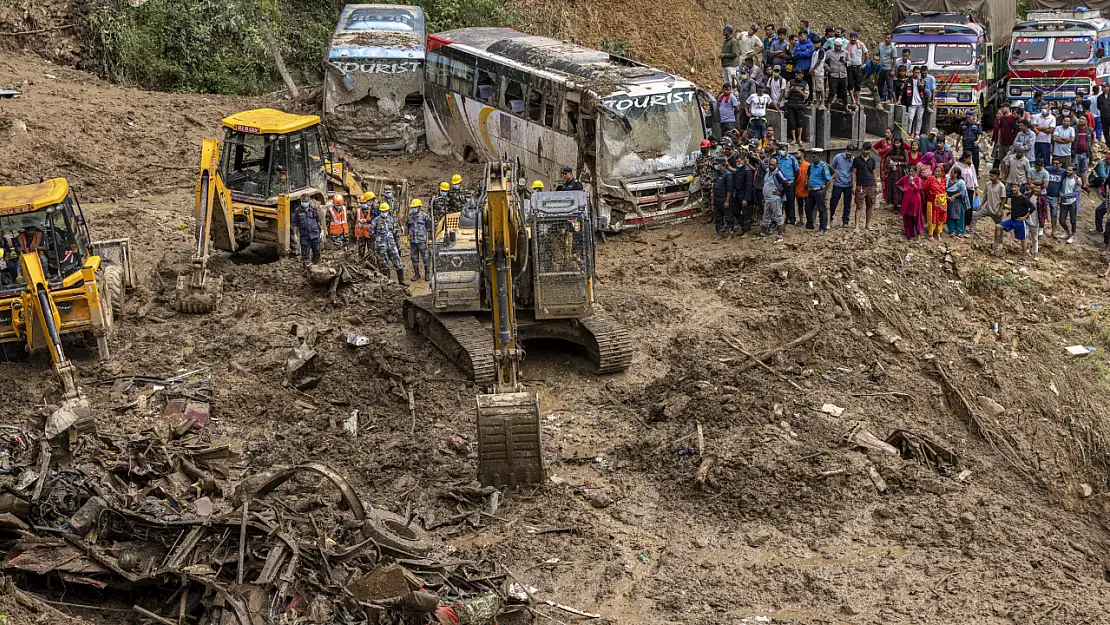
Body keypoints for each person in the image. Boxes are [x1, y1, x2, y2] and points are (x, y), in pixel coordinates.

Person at [371, 202, 405, 284]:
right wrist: (377, 243)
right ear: (380, 211)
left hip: (391, 245)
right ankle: (387, 283)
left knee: (398, 262)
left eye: (385, 211)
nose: (384, 212)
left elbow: (394, 232)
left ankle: (401, 281)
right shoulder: (375, 221)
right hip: (381, 246)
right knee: (384, 265)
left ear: (388, 211)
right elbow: (372, 233)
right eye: (382, 211)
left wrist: (396, 244)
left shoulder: (391, 220)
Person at [994, 184, 1032, 256]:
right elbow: (1016, 207)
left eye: (1015, 187)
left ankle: (1023, 256)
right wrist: (1011, 211)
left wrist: (1025, 217)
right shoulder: (1013, 197)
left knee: (1023, 239)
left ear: (1019, 188)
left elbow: (1032, 208)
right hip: (1012, 220)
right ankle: (995, 246)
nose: (1013, 189)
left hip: (1020, 221)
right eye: (1012, 187)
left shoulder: (1024, 198)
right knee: (998, 226)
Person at [760, 155, 787, 242]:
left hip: (775, 199)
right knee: (766, 217)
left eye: (773, 165)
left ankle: (780, 236)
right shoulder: (767, 172)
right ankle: (762, 233)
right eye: (770, 164)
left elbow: (787, 184)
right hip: (767, 199)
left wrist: (781, 192)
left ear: (776, 165)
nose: (771, 166)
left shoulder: (778, 173)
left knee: (778, 217)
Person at [879, 129, 909, 207]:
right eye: (895, 143)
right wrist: (887, 163)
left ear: (901, 143)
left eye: (898, 143)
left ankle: (901, 203)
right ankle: (894, 203)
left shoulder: (904, 151)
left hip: (900, 172)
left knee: (900, 186)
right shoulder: (892, 150)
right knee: (893, 186)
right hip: (892, 171)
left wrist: (898, 163)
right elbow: (884, 156)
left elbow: (907, 163)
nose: (896, 144)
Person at [805, 148, 833, 232]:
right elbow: (809, 175)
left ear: (819, 157)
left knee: (822, 210)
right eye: (812, 156)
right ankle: (810, 225)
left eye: (814, 156)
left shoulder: (823, 167)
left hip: (819, 190)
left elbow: (829, 180)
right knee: (808, 208)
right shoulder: (811, 166)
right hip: (811, 190)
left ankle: (822, 228)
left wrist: (824, 190)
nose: (812, 158)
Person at [406, 198, 434, 281]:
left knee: (426, 258)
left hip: (422, 241)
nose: (413, 209)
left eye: (415, 207)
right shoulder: (409, 216)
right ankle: (417, 274)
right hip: (413, 241)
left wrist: (429, 239)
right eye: (412, 207)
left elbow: (430, 228)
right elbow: (407, 227)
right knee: (414, 259)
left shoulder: (425, 216)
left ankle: (427, 274)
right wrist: (405, 237)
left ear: (419, 207)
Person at [852, 142, 878, 230]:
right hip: (860, 186)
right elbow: (854, 173)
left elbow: (874, 173)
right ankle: (856, 226)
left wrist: (876, 185)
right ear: (862, 149)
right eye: (864, 149)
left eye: (868, 150)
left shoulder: (873, 160)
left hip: (871, 185)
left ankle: (868, 225)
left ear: (870, 150)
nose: (866, 151)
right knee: (859, 206)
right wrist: (854, 185)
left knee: (870, 205)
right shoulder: (857, 160)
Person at [829, 144, 855, 227]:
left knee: (847, 203)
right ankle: (830, 218)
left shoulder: (854, 160)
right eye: (848, 151)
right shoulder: (838, 157)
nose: (849, 153)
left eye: (851, 152)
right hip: (838, 184)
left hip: (848, 184)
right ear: (845, 150)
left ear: (853, 152)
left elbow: (854, 172)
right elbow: (832, 168)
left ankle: (845, 221)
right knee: (833, 202)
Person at [291, 197, 322, 267]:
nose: (304, 203)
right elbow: (294, 224)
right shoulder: (297, 212)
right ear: (301, 201)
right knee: (305, 254)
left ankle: (316, 266)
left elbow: (318, 221)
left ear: (309, 201)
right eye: (303, 201)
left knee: (317, 252)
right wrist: (295, 235)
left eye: (306, 201)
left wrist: (322, 230)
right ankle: (306, 268)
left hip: (314, 234)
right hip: (304, 236)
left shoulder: (313, 210)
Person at [900, 66, 930, 136]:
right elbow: (902, 91)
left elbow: (921, 89)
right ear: (913, 72)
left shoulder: (923, 81)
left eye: (918, 73)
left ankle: (917, 133)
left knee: (919, 119)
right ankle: (909, 133)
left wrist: (919, 82)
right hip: (912, 103)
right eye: (916, 72)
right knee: (910, 119)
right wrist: (898, 100)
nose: (917, 74)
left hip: (920, 103)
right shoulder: (907, 80)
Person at [953, 152, 979, 231]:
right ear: (964, 158)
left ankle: (967, 223)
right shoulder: (957, 165)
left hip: (969, 188)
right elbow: (951, 173)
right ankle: (957, 222)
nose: (970, 160)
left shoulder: (971, 166)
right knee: (958, 206)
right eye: (969, 158)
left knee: (968, 206)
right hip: (960, 188)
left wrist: (976, 188)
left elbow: (974, 177)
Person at [896, 167, 924, 239]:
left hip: (915, 201)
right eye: (909, 171)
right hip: (906, 201)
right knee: (907, 217)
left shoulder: (918, 179)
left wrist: (912, 183)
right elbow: (897, 184)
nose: (910, 173)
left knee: (916, 217)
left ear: (915, 172)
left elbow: (917, 189)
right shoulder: (904, 178)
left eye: (912, 171)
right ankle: (909, 234)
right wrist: (902, 189)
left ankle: (919, 235)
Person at [923, 164, 948, 241]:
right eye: (936, 171)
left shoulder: (944, 179)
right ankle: (930, 234)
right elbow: (925, 189)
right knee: (932, 217)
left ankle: (939, 233)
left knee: (941, 217)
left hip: (942, 201)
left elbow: (945, 189)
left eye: (939, 172)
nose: (937, 173)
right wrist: (931, 196)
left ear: (942, 172)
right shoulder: (930, 179)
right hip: (932, 201)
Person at [775, 144, 800, 223]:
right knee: (780, 201)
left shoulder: (792, 159)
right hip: (780, 184)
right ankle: (780, 218)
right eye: (781, 149)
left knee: (790, 201)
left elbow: (797, 171)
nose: (782, 151)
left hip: (790, 183)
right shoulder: (777, 159)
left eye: (784, 149)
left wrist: (791, 180)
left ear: (787, 150)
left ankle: (791, 219)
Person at [711, 156, 734, 238]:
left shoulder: (728, 174)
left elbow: (729, 189)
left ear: (721, 164)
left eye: (717, 164)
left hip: (724, 199)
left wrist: (727, 201)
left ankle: (730, 232)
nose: (715, 165)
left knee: (728, 217)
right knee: (718, 218)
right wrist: (713, 199)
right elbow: (714, 187)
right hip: (717, 199)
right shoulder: (716, 173)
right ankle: (720, 233)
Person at [845, 32, 868, 110]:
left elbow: (867, 54)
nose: (853, 39)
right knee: (850, 83)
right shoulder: (847, 45)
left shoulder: (861, 44)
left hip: (858, 66)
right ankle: (853, 100)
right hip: (850, 66)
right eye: (852, 37)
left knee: (858, 84)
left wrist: (864, 64)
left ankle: (858, 101)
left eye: (854, 37)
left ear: (857, 37)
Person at [785, 70, 809, 144]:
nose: (797, 76)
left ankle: (799, 138)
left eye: (799, 74)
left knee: (800, 122)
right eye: (796, 74)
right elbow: (786, 95)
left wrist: (799, 91)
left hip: (800, 105)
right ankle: (794, 139)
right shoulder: (790, 82)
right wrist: (791, 90)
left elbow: (806, 96)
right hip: (791, 104)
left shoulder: (805, 84)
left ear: (802, 75)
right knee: (792, 122)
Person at [826, 38, 849, 108]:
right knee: (832, 92)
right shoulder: (829, 52)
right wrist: (828, 68)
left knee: (844, 92)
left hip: (843, 74)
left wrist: (845, 62)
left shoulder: (846, 52)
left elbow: (850, 62)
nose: (838, 47)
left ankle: (846, 107)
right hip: (833, 74)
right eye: (836, 46)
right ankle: (828, 108)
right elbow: (823, 62)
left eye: (839, 46)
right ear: (834, 45)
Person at [1059, 166, 1080, 243]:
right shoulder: (1064, 178)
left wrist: (1065, 196)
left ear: (1074, 171)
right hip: (1064, 203)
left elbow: (1076, 193)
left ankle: (1073, 235)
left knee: (1073, 220)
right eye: (1067, 169)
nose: (1067, 171)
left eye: (1069, 170)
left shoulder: (1077, 180)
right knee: (1061, 220)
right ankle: (1067, 231)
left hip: (1072, 202)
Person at [945, 168, 969, 236]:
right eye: (951, 172)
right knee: (949, 215)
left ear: (956, 174)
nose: (951, 174)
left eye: (953, 172)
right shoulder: (947, 180)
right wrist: (947, 197)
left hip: (957, 200)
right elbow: (944, 189)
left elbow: (962, 192)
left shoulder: (961, 182)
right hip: (949, 200)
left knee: (959, 215)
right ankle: (951, 231)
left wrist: (954, 196)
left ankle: (959, 231)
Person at [1044, 157, 1064, 237]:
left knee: (1054, 214)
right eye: (1054, 163)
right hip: (1046, 194)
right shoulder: (1048, 169)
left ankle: (1053, 231)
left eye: (1057, 163)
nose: (1055, 165)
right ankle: (1041, 228)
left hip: (1055, 196)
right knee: (1042, 212)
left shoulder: (1063, 172)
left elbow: (1072, 174)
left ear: (1061, 164)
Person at [1075, 114, 1095, 189]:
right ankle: (1075, 185)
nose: (1081, 120)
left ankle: (1084, 185)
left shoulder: (1089, 130)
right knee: (1075, 169)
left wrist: (1091, 147)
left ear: (1086, 121)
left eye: (1083, 119)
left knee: (1084, 169)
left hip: (1085, 153)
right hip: (1076, 153)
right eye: (1080, 118)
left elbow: (1093, 138)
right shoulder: (1074, 129)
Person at [355, 191, 376, 258]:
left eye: (365, 203)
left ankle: (370, 263)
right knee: (360, 252)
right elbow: (354, 222)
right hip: (361, 234)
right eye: (362, 203)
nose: (364, 204)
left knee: (371, 252)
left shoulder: (373, 211)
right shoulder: (357, 211)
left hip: (370, 234)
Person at [694, 139, 715, 210]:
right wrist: (690, 178)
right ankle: (709, 215)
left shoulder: (713, 158)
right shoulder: (698, 160)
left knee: (713, 201)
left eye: (704, 148)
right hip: (703, 184)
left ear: (708, 148)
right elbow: (696, 171)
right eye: (702, 148)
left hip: (712, 184)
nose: (702, 149)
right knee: (706, 202)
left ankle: (715, 217)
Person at [877, 33, 896, 103]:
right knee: (880, 84)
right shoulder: (880, 45)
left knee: (889, 84)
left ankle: (889, 98)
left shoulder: (893, 48)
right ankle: (881, 97)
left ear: (891, 39)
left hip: (888, 68)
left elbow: (894, 59)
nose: (886, 39)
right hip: (880, 67)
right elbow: (878, 54)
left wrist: (893, 69)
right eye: (886, 38)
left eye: (888, 38)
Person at [794, 146, 810, 226]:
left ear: (802, 154)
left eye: (798, 153)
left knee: (808, 205)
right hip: (798, 188)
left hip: (806, 188)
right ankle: (801, 220)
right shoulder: (795, 164)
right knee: (800, 205)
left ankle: (809, 220)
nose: (796, 154)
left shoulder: (808, 165)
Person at [810, 43, 827, 109]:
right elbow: (812, 61)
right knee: (816, 88)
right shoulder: (814, 51)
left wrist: (813, 69)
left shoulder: (821, 50)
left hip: (819, 72)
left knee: (821, 88)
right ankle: (817, 102)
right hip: (814, 72)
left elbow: (819, 61)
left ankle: (822, 102)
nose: (815, 45)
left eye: (816, 43)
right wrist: (811, 69)